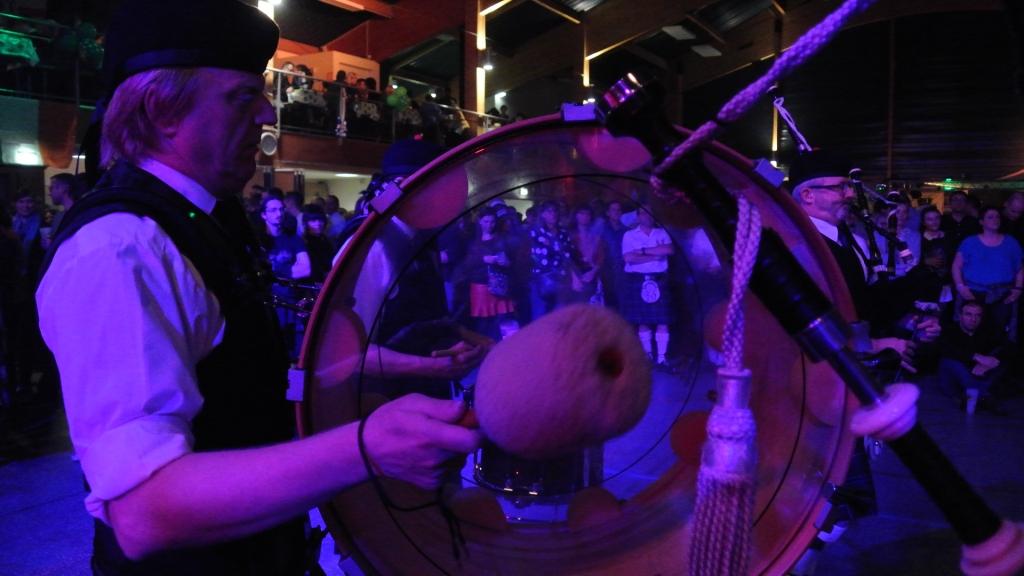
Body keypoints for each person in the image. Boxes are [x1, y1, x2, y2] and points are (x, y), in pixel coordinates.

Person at [35, 3, 480, 574]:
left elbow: (244, 381)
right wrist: (366, 447)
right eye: (243, 97)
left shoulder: (202, 221)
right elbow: (144, 509)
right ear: (162, 111)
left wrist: (409, 371)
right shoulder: (120, 248)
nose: (267, 113)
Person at [951, 205, 1024, 339]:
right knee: (969, 331)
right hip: (973, 293)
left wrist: (1018, 288)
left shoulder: (1011, 242)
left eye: (997, 217)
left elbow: (1020, 268)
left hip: (1003, 294)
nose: (995, 220)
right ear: (981, 221)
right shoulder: (970, 242)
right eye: (990, 217)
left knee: (999, 332)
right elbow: (956, 266)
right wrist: (960, 286)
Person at [621, 203, 674, 367]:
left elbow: (669, 250)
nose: (647, 216)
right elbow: (629, 258)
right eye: (643, 213)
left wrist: (642, 251)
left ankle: (662, 358)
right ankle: (648, 356)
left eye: (650, 213)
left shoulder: (662, 232)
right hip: (638, 280)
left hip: (659, 279)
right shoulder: (629, 235)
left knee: (662, 321)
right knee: (642, 321)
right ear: (638, 217)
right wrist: (654, 255)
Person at [938, 300, 1011, 414]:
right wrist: (975, 357)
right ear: (960, 316)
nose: (973, 319)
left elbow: (1007, 346)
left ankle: (972, 398)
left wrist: (989, 362)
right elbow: (945, 349)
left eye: (978, 315)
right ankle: (984, 397)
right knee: (952, 363)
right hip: (954, 379)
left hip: (977, 375)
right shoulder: (949, 330)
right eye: (968, 314)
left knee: (1000, 362)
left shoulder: (986, 331)